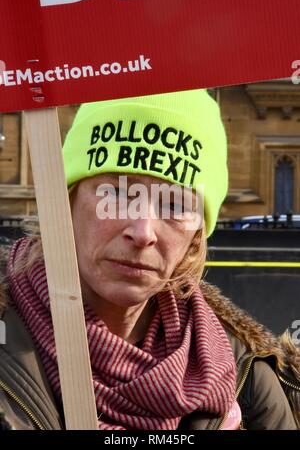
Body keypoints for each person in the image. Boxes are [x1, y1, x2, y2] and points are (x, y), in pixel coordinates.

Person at [0, 89, 299, 430]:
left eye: (174, 205)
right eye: (116, 193)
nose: (143, 232)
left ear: (198, 232)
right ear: (66, 201)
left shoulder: (248, 379)